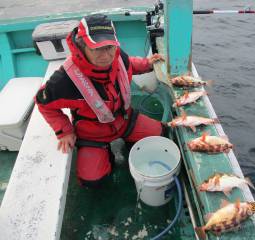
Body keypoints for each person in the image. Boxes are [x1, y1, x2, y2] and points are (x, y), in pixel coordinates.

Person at [35, 14, 164, 188]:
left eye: (109, 46)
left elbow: (129, 65)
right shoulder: (63, 80)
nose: (106, 55)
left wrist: (147, 64)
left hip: (124, 121)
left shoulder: (117, 55)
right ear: (82, 46)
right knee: (93, 181)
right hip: (92, 134)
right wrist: (64, 131)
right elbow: (43, 104)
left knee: (158, 133)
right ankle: (106, 158)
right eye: (97, 49)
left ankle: (130, 146)